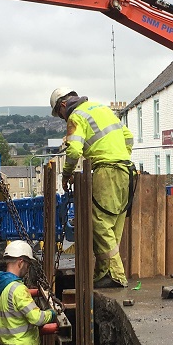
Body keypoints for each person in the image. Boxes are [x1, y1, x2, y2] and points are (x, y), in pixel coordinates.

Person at [50, 87, 134, 289]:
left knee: (100, 223)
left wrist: (67, 173)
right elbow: (128, 136)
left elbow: (74, 149)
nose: (62, 119)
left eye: (59, 114)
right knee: (113, 224)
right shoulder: (102, 109)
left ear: (63, 105)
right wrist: (122, 155)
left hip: (107, 171)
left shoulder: (76, 116)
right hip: (126, 170)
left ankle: (116, 275)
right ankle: (103, 273)